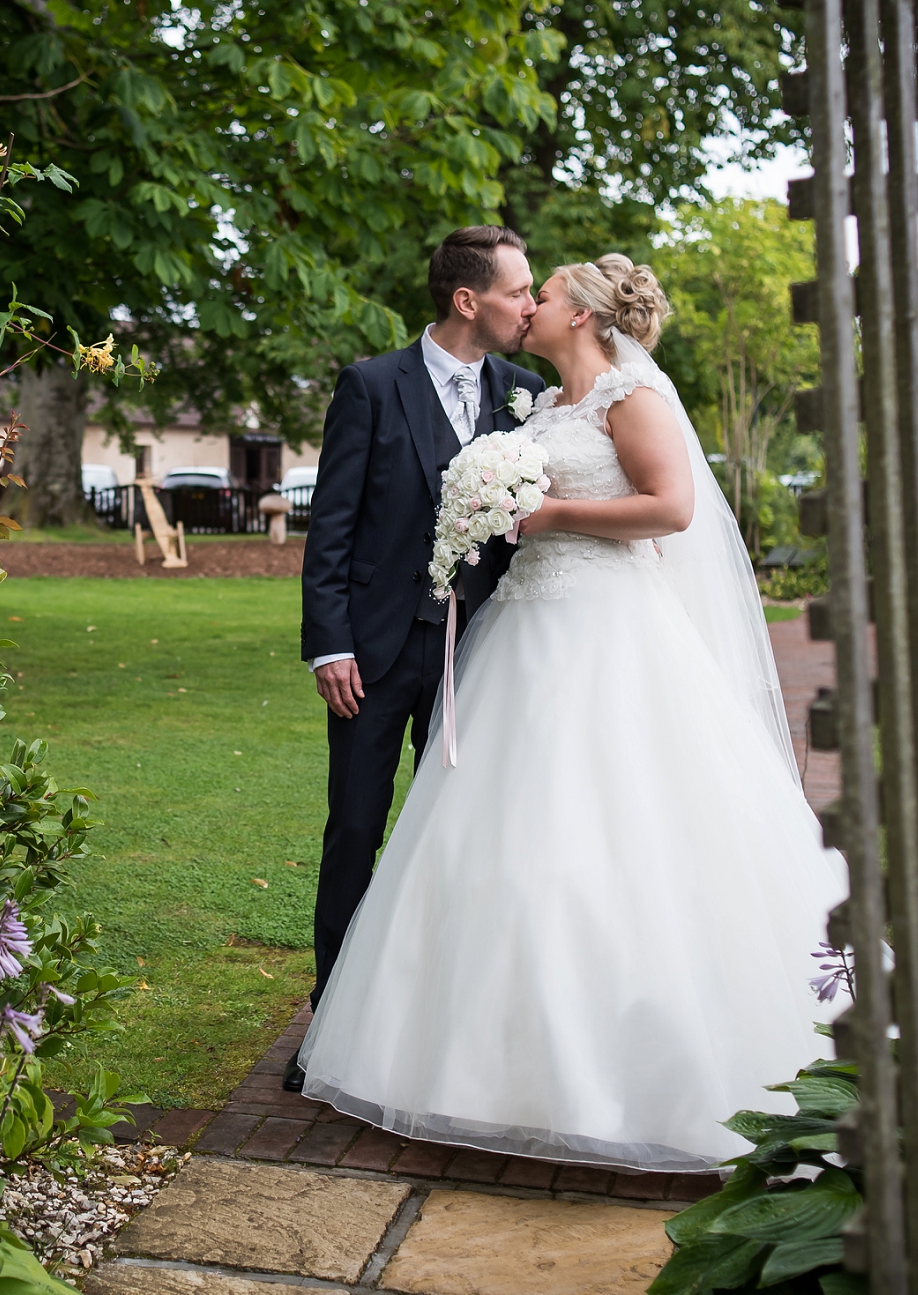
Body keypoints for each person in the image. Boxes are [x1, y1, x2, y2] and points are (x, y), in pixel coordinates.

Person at [295, 254, 847, 1171]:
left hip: (608, 632)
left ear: (584, 316)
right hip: (512, 638)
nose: (531, 306)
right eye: (523, 291)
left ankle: (633, 1068)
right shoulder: (537, 406)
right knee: (486, 842)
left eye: (542, 294)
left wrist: (545, 518)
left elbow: (672, 505)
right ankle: (480, 1059)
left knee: (616, 837)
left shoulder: (629, 396)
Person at [294, 227, 546, 1091]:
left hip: (480, 655)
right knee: (356, 832)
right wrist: (329, 642)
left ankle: (440, 1035)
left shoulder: (526, 392)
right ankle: (332, 1026)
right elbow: (330, 525)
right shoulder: (371, 385)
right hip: (372, 654)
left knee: (462, 842)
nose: (532, 305)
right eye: (519, 291)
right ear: (467, 300)